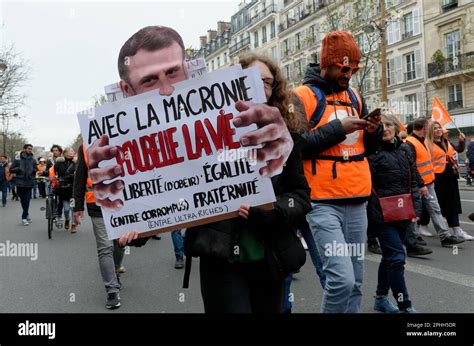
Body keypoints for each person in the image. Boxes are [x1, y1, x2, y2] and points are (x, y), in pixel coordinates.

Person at [121, 52, 310, 313]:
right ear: (231, 85)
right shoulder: (200, 138)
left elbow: (300, 196)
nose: (258, 85)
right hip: (220, 258)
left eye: (266, 81)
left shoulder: (287, 139)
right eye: (249, 78)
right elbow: (171, 191)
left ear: (274, 89)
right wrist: (137, 228)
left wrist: (271, 211)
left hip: (270, 256)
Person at [84, 26, 294, 211]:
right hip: (215, 252)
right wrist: (121, 212)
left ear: (187, 69)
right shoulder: (118, 147)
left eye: (173, 72)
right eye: (150, 80)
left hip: (276, 251)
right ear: (127, 90)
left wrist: (284, 159)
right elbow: (148, 220)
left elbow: (299, 197)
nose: (167, 90)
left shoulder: (260, 123)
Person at [294, 31, 382, 313]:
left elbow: (367, 149)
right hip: (322, 203)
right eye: (344, 67)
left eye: (353, 68)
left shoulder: (355, 96)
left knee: (356, 282)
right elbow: (295, 146)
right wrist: (338, 129)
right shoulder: (301, 96)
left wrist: (374, 131)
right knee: (341, 280)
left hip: (357, 199)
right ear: (326, 63)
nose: (349, 74)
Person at [367, 114, 421, 313]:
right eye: (381, 125)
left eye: (389, 124)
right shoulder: (371, 152)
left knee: (389, 257)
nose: (386, 128)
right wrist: (376, 212)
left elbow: (413, 181)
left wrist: (416, 209)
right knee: (398, 257)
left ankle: (380, 299)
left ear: (396, 128)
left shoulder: (406, 149)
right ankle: (404, 305)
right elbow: (367, 187)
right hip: (382, 215)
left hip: (404, 211)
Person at [73, 144, 125, 309]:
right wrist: (78, 206)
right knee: (104, 247)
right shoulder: (85, 146)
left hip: (124, 202)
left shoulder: (124, 133)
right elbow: (80, 176)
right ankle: (112, 290)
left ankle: (115, 270)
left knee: (120, 243)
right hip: (97, 204)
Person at [405, 117, 464, 247]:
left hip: (429, 183)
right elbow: (411, 167)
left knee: (435, 210)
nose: (433, 130)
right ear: (425, 128)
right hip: (417, 185)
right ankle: (413, 239)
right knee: (415, 212)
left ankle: (445, 237)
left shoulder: (423, 141)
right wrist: (420, 184)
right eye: (430, 127)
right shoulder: (410, 143)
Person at [424, 122, 472, 240]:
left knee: (452, 203)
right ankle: (422, 225)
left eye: (439, 128)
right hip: (435, 177)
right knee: (432, 205)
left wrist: (461, 141)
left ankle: (457, 229)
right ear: (430, 131)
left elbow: (457, 151)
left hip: (449, 176)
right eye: (435, 128)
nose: (438, 130)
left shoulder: (446, 142)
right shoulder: (427, 144)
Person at [9, 144, 37, 225]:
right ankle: (27, 214)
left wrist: (34, 170)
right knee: (23, 200)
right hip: (20, 182)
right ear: (24, 149)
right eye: (29, 148)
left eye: (31, 149)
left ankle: (24, 217)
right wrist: (19, 169)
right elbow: (11, 170)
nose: (30, 150)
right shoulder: (17, 159)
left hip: (29, 182)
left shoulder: (33, 160)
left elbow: (36, 169)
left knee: (27, 200)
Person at [53, 148, 76, 231]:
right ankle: (67, 220)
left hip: (73, 189)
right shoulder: (58, 164)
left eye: (73, 151)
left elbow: (79, 175)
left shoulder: (76, 164)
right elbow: (52, 172)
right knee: (66, 209)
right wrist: (44, 173)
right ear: (65, 153)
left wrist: (71, 176)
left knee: (73, 208)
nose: (72, 152)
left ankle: (73, 225)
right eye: (71, 151)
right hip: (62, 189)